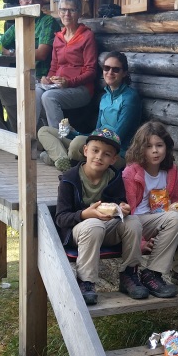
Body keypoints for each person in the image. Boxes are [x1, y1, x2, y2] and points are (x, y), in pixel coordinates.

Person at [54, 129, 150, 306]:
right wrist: (85, 214)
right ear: (85, 151)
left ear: (113, 159)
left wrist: (123, 208)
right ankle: (86, 282)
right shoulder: (70, 179)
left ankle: (129, 274)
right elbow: (61, 218)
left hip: (106, 229)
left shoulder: (114, 177)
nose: (99, 157)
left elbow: (119, 203)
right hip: (80, 232)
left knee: (133, 222)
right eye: (95, 150)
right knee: (93, 224)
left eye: (106, 154)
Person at [121, 121, 178, 298]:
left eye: (159, 145)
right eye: (148, 146)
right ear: (140, 148)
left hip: (165, 219)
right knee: (175, 218)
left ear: (167, 147)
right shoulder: (131, 172)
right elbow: (128, 213)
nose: (155, 151)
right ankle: (151, 273)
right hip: (139, 221)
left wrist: (177, 208)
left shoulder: (171, 170)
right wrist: (141, 242)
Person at [38, 51, 141, 172]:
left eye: (116, 69)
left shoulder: (130, 98)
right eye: (106, 68)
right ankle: (63, 159)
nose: (110, 72)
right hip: (96, 145)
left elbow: (117, 137)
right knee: (44, 131)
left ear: (124, 73)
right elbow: (96, 132)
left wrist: (84, 140)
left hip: (115, 153)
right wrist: (73, 132)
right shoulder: (105, 97)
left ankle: (59, 157)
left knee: (76, 144)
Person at [0, 0, 59, 131]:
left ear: (42, 3)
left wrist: (10, 53)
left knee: (2, 86)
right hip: (20, 74)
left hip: (39, 76)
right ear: (20, 2)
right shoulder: (18, 24)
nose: (31, 2)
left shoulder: (47, 22)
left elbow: (42, 53)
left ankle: (18, 132)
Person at [35, 0, 97, 130]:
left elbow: (91, 71)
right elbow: (54, 67)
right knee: (35, 91)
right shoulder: (58, 38)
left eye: (72, 10)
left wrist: (69, 82)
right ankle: (32, 137)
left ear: (79, 13)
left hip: (81, 89)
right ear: (59, 12)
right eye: (63, 10)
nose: (67, 14)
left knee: (49, 97)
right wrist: (48, 79)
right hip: (58, 87)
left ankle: (58, 139)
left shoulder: (87, 36)